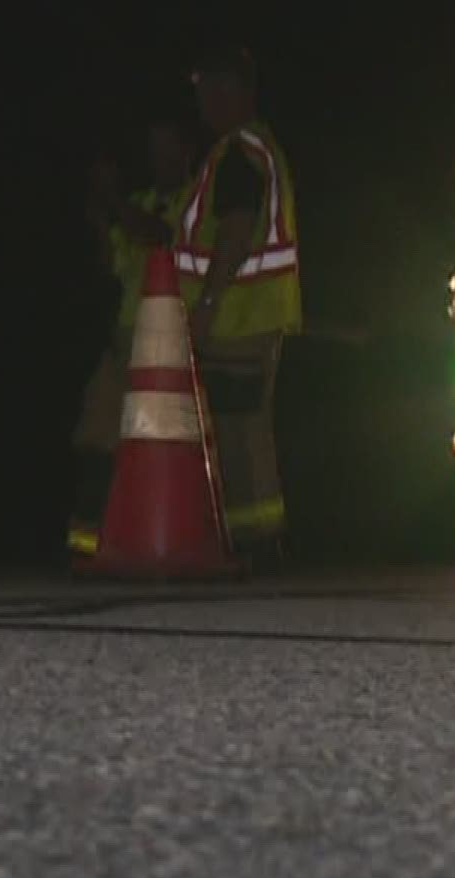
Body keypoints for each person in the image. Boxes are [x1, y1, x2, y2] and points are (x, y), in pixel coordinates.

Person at [177, 43, 302, 564]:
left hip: (237, 319)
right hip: (252, 316)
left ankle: (254, 544)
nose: (201, 102)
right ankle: (257, 541)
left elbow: (233, 230)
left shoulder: (238, 152)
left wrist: (206, 304)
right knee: (244, 430)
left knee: (238, 433)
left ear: (229, 90)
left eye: (207, 89)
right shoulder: (255, 146)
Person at [70, 118, 196, 557]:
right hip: (124, 339)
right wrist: (100, 221)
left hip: (168, 347)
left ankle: (168, 542)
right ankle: (85, 546)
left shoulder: (194, 200)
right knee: (95, 436)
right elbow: (114, 266)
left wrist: (115, 201)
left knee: (162, 446)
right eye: (153, 147)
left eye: (167, 146)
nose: (159, 158)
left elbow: (159, 237)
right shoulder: (142, 200)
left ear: (185, 151)